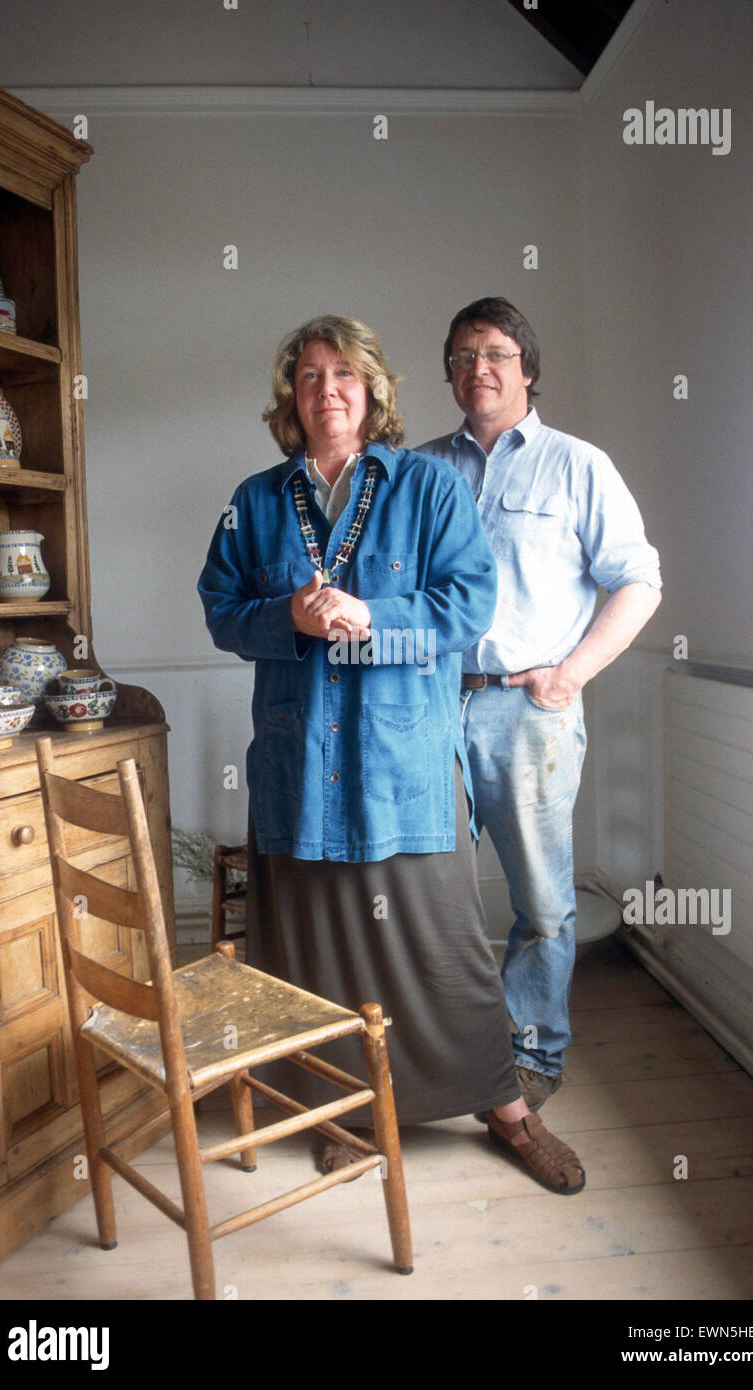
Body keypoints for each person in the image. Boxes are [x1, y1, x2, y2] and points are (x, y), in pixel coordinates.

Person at [197, 313, 585, 1194]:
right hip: (299, 770)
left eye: (343, 374)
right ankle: (345, 1108)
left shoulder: (426, 488)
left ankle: (505, 1108)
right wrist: (283, 620)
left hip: (403, 766)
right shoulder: (255, 500)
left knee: (443, 947)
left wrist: (375, 618)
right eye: (307, 377)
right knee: (316, 954)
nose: (326, 390)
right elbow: (220, 610)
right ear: (289, 400)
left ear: (372, 391)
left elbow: (466, 608)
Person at [421, 297, 662, 1114]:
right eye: (460, 356)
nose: (476, 368)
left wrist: (572, 674)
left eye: (493, 352)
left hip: (529, 714)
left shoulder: (578, 466)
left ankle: (531, 1052)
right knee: (427, 890)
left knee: (543, 900)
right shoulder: (421, 470)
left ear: (527, 367)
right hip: (425, 711)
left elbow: (639, 579)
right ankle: (445, 1055)